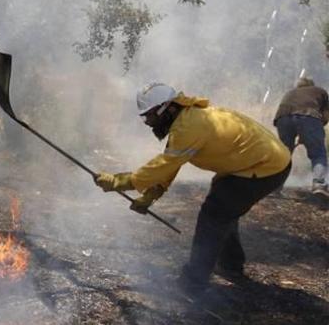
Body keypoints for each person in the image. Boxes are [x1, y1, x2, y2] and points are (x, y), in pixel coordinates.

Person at [94, 83, 291, 296]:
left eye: (150, 116)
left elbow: (166, 163)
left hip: (266, 166)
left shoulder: (189, 127)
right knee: (224, 208)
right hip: (253, 163)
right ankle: (231, 265)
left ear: (167, 109)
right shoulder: (188, 120)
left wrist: (120, 181)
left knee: (214, 214)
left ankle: (193, 283)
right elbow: (174, 159)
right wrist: (153, 193)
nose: (148, 123)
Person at [273, 77, 329, 197]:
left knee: (284, 154)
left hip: (282, 118)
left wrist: (304, 134)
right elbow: (325, 116)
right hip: (309, 116)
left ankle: (274, 187)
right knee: (318, 153)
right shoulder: (319, 91)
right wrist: (313, 132)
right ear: (311, 85)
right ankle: (319, 185)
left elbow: (292, 116)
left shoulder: (290, 93)